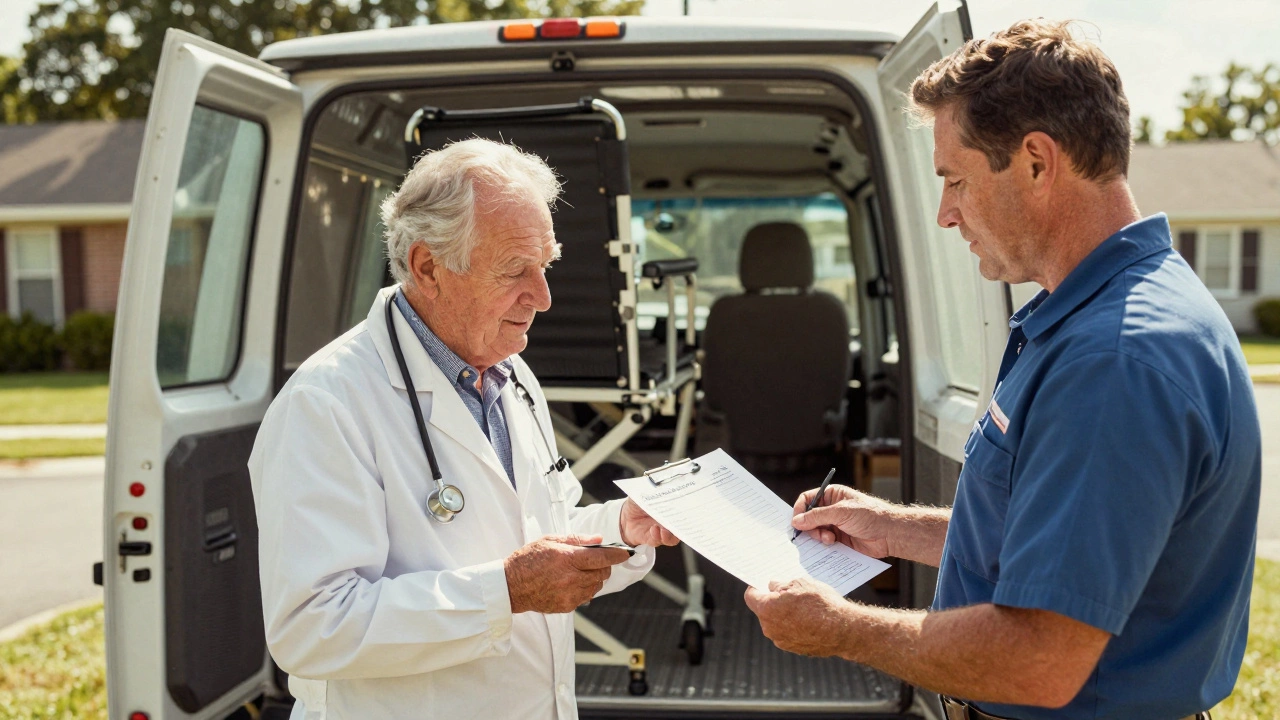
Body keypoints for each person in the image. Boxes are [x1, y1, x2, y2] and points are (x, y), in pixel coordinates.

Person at [744, 19, 1259, 720]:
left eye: (955, 180)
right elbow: (1053, 537)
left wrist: (838, 627)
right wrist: (892, 527)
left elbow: (1039, 659)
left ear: (1037, 163)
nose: (944, 214)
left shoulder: (1114, 360)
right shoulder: (1105, 317)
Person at [248, 138, 679, 720]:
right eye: (514, 270)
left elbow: (541, 531)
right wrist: (504, 593)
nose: (544, 297)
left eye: (545, 265)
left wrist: (624, 527)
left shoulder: (509, 373)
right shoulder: (326, 403)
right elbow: (313, 627)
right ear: (429, 267)